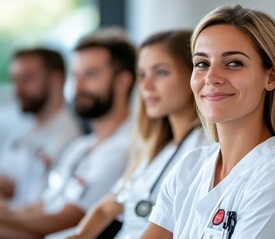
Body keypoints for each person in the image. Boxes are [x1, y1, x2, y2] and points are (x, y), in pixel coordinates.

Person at [142, 5, 275, 239]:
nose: (211, 77)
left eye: (233, 63)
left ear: (271, 77)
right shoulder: (189, 168)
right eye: (202, 64)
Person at [66, 30, 209, 239]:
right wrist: (79, 236)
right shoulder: (155, 148)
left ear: (193, 75)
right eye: (142, 75)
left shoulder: (203, 148)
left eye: (160, 72)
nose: (146, 86)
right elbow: (108, 207)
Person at [0, 27, 136, 238]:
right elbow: (42, 206)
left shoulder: (125, 148)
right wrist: (7, 212)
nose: (78, 86)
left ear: (123, 81)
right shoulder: (82, 146)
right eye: (75, 75)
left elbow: (63, 221)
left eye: (90, 74)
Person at [0, 48, 82, 208]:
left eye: (27, 79)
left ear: (56, 79)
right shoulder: (22, 130)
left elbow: (44, 209)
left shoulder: (69, 139)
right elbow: (9, 183)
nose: (18, 90)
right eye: (15, 79)